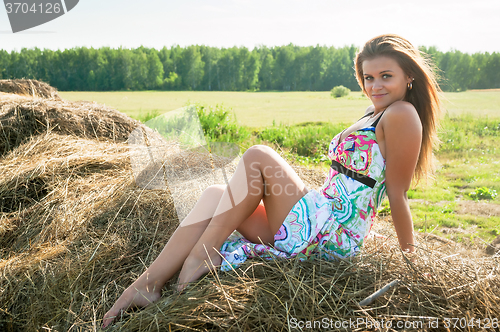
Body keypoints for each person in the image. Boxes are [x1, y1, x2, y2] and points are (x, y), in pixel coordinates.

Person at [102, 34, 442, 328]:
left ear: (408, 75)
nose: (374, 85)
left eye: (386, 76)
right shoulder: (375, 112)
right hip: (318, 217)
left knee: (258, 155)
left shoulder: (402, 114)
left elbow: (398, 194)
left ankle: (201, 256)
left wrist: (409, 264)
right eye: (368, 77)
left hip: (331, 233)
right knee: (214, 195)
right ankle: (147, 284)